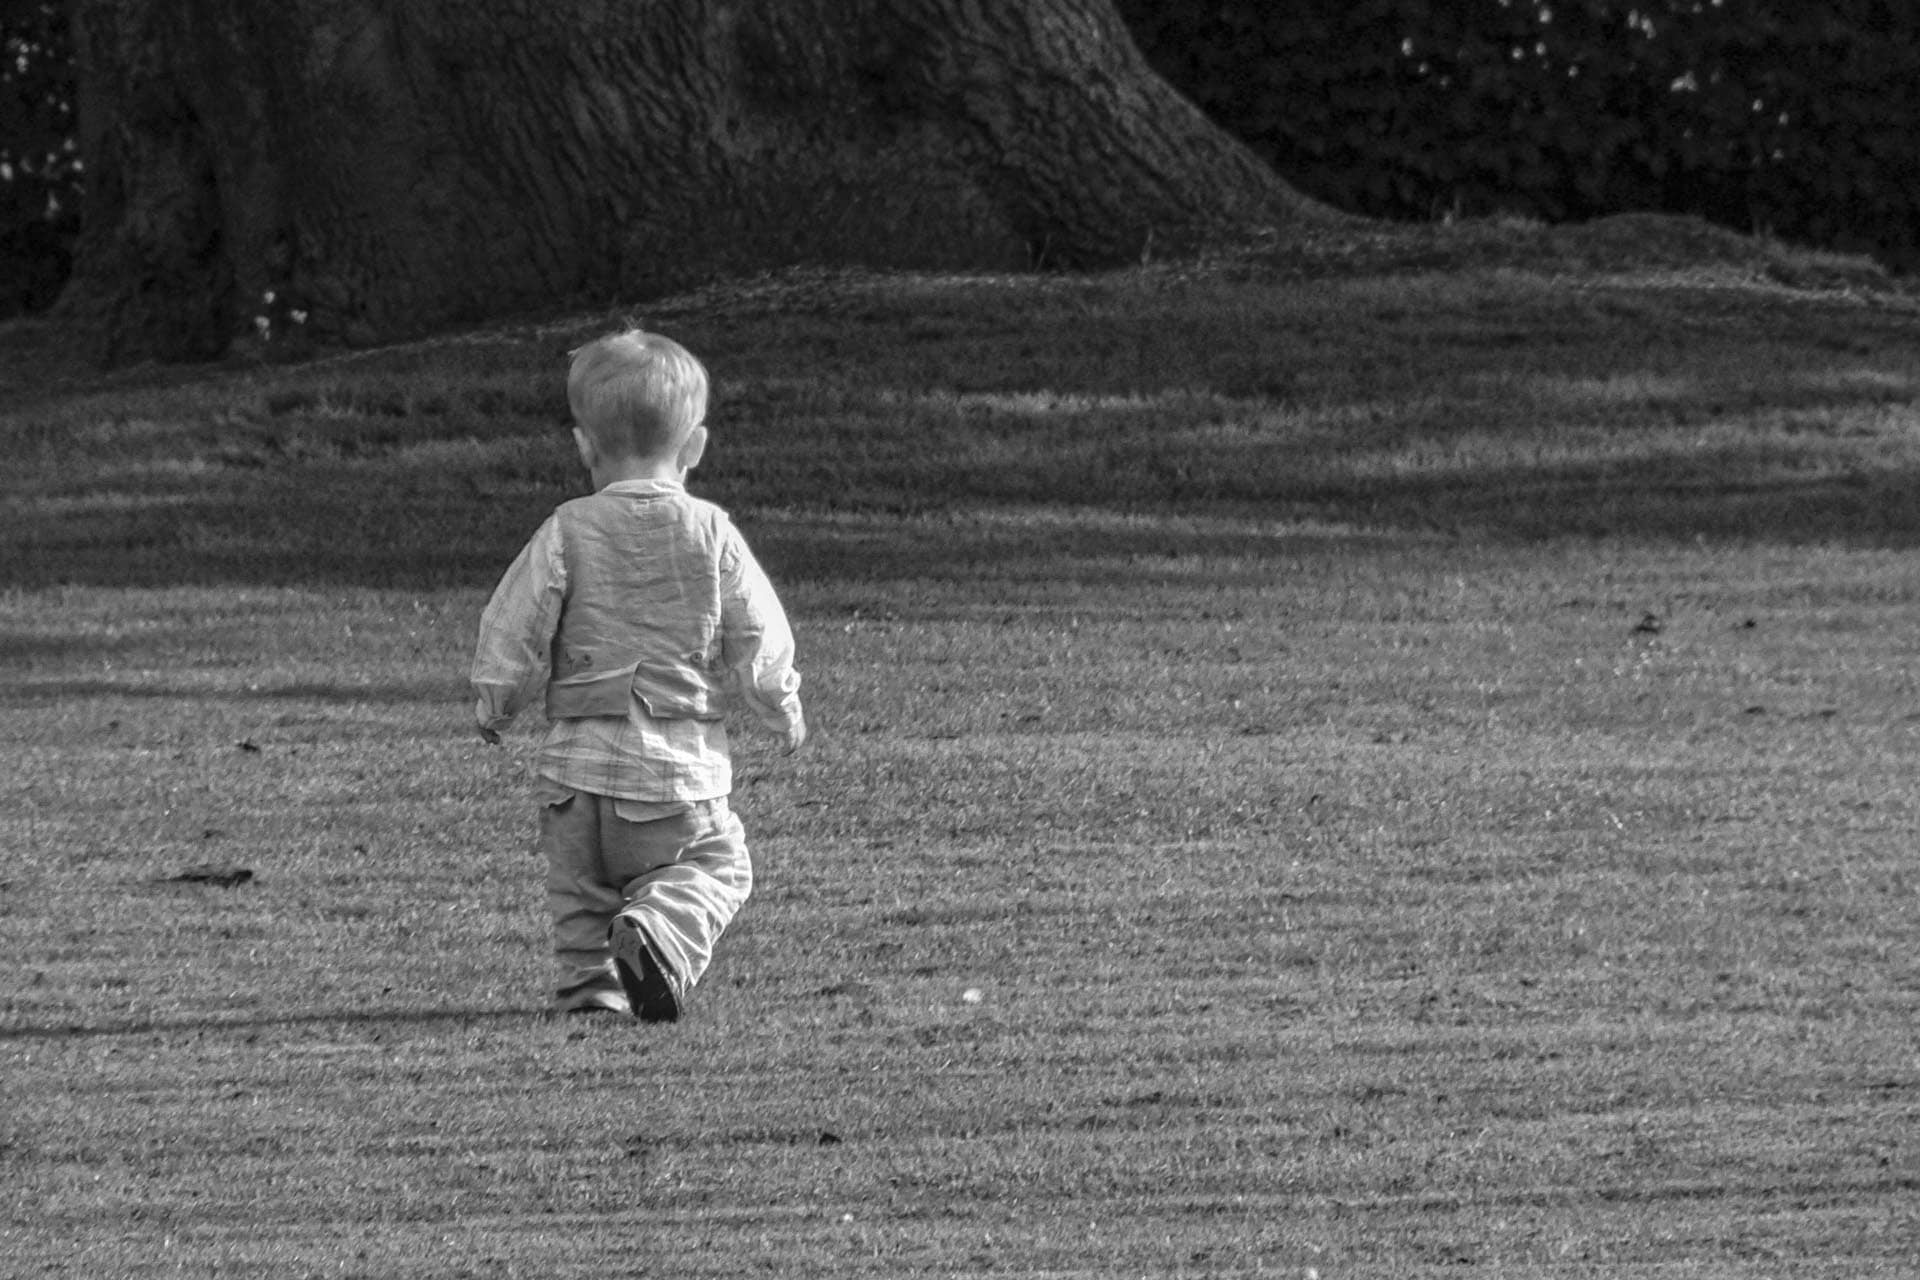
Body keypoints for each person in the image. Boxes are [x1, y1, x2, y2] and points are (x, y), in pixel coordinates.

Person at [471, 329, 806, 1021]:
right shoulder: (710, 531)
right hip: (673, 774)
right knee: (718, 865)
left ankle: (591, 989)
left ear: (583, 447)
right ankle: (659, 930)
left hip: (574, 777)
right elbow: (757, 629)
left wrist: (496, 700)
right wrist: (780, 703)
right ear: (695, 447)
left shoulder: (565, 529)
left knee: (581, 894)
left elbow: (515, 623)